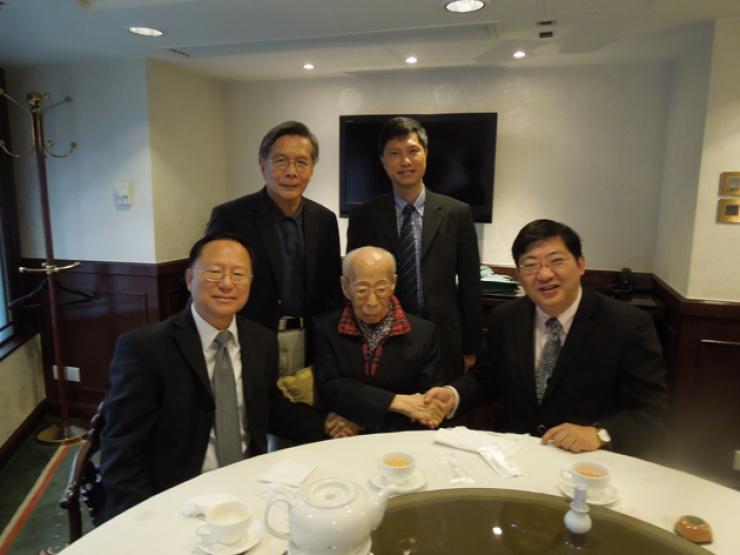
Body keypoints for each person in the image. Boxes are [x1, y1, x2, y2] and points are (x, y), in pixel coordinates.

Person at [98, 234, 346, 522]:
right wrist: (142, 521)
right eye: (214, 272)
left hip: (248, 485)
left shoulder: (261, 340)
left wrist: (327, 424)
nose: (227, 283)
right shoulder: (146, 348)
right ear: (190, 278)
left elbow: (269, 408)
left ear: (250, 283)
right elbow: (121, 449)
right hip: (177, 497)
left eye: (238, 274)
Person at [425, 219, 670, 457]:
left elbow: (651, 414)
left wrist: (600, 434)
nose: (544, 274)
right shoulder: (505, 318)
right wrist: (453, 395)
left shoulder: (627, 325)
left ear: (581, 264)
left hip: (587, 464)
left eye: (556, 261)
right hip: (515, 458)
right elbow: (487, 378)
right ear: (519, 275)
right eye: (530, 265)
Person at [347, 116, 481, 382]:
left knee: (440, 414)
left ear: (426, 154)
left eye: (412, 151)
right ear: (383, 160)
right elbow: (354, 283)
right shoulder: (364, 216)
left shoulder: (457, 212)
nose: (405, 161)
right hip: (382, 336)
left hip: (443, 339)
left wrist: (471, 346)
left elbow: (470, 285)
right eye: (394, 153)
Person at [207, 121, 342, 375]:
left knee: (300, 411)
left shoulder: (324, 220)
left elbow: (331, 293)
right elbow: (212, 284)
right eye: (280, 160)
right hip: (249, 340)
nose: (291, 171)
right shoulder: (231, 217)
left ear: (312, 169)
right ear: (262, 165)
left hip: (308, 340)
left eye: (301, 162)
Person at [312, 246, 446, 433]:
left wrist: (362, 420)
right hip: (343, 439)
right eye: (362, 290)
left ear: (393, 283)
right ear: (345, 286)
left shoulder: (423, 333)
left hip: (398, 438)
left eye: (381, 288)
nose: (372, 301)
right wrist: (396, 402)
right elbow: (329, 388)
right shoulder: (326, 328)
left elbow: (426, 407)